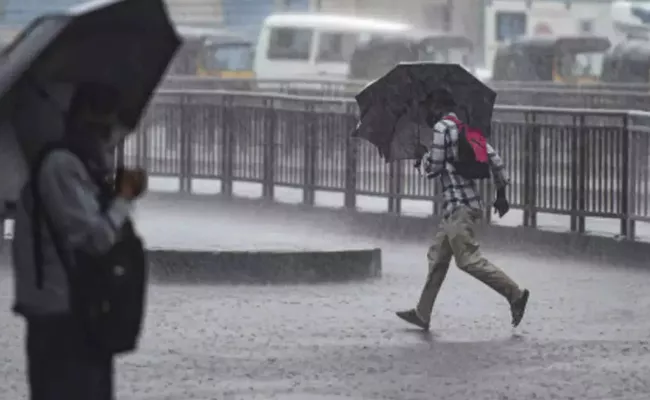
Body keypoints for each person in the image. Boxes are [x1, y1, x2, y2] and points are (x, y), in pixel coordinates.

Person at [11, 82, 147, 400]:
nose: (107, 137)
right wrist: (123, 198)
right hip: (63, 318)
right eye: (102, 126)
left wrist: (114, 194)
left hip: (81, 314)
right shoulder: (60, 166)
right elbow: (95, 239)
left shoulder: (77, 167)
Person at [396, 88, 530, 331]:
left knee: (468, 260)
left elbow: (433, 169)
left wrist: (421, 157)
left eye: (427, 108)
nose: (425, 115)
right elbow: (495, 159)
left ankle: (515, 295)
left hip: (459, 207)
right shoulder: (465, 127)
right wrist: (501, 195)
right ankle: (422, 313)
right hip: (461, 207)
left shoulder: (440, 129)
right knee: (437, 258)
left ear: (436, 107)